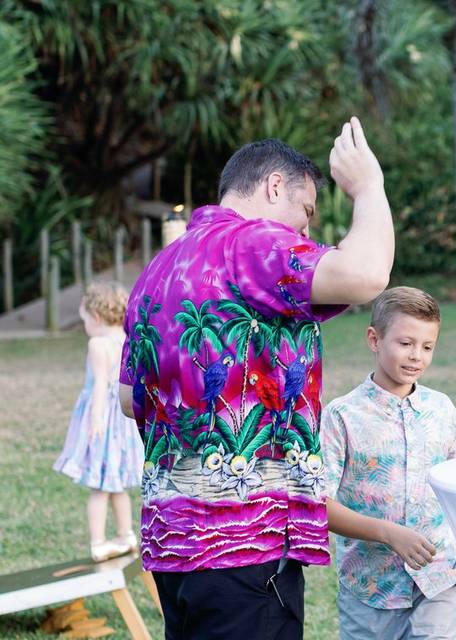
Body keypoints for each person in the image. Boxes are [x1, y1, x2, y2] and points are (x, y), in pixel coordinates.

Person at [119, 120, 434, 639]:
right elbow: (367, 274)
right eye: (306, 213)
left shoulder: (157, 270)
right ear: (272, 188)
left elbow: (131, 399)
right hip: (244, 548)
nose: (305, 234)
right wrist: (369, 187)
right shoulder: (249, 243)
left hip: (172, 546)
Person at [322, 286, 456, 640]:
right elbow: (319, 505)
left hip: (439, 580)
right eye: (405, 343)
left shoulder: (442, 410)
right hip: (370, 588)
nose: (416, 357)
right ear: (374, 339)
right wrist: (388, 534)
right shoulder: (342, 416)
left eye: (427, 347)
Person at [54, 281, 144, 562]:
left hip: (104, 421)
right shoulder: (126, 339)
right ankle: (126, 535)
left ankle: (98, 542)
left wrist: (93, 423)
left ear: (95, 317)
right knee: (115, 485)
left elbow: (99, 389)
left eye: (84, 321)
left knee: (99, 487)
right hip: (123, 424)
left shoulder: (98, 344)